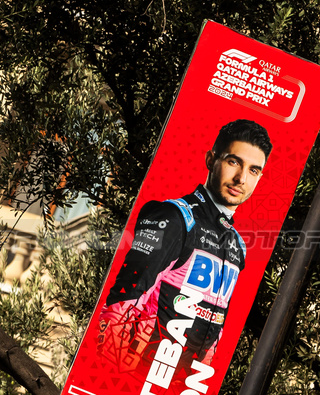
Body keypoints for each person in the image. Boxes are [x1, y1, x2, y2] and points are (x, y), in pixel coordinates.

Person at [99, 118, 271, 368]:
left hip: (181, 392)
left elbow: (215, 328)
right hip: (139, 378)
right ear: (211, 160)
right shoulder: (174, 217)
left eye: (253, 170)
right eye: (234, 162)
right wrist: (113, 379)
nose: (241, 178)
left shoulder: (237, 246)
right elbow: (120, 304)